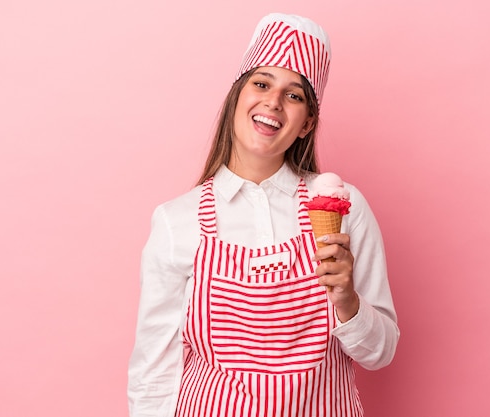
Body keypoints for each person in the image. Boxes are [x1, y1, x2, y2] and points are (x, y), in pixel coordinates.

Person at [128, 12, 399, 417]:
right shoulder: (176, 221)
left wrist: (347, 300)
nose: (273, 101)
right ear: (237, 96)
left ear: (307, 123)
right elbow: (154, 372)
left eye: (294, 94)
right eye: (261, 83)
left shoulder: (346, 208)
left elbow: (381, 353)